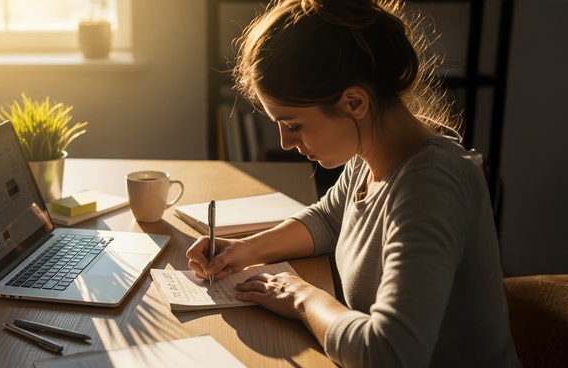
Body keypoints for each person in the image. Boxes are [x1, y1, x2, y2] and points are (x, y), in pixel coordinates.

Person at [186, 0, 521, 366]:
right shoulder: (373, 153)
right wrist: (246, 250)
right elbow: (330, 220)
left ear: (354, 102)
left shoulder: (429, 187)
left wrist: (301, 297)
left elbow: (389, 354)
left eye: (293, 124)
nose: (285, 142)